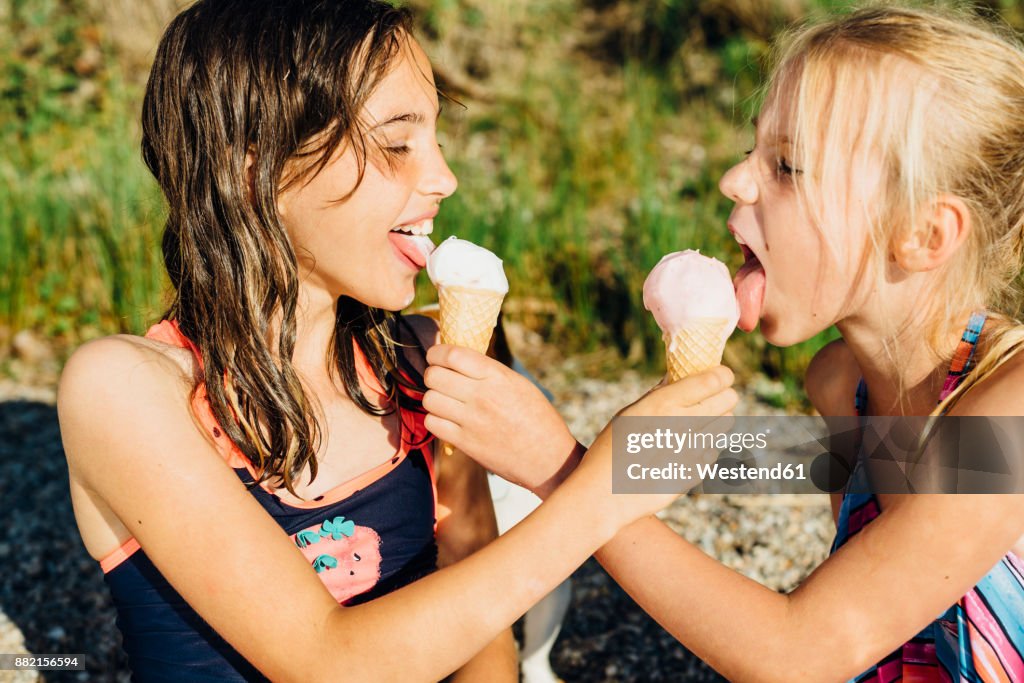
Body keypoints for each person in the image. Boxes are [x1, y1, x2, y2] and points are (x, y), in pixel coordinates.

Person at [56, 0, 735, 680]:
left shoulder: (425, 359)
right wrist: (600, 490)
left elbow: (479, 615)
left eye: (437, 138)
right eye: (397, 143)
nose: (444, 178)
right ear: (251, 170)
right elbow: (324, 659)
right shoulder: (127, 389)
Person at [423, 5, 1024, 681]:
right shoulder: (841, 383)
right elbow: (798, 471)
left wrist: (557, 466)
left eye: (788, 166)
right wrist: (623, 451)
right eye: (753, 151)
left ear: (923, 234)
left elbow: (799, 651)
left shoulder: (1013, 412)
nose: (733, 181)